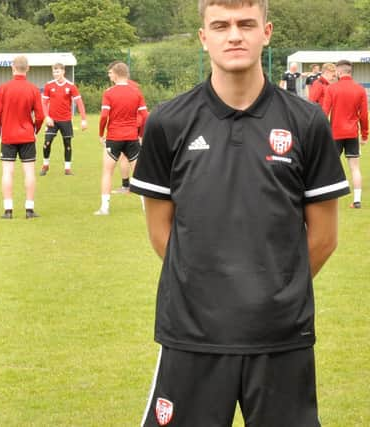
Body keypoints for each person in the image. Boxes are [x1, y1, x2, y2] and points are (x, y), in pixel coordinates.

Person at [131, 1, 349, 426]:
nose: (235, 35)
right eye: (222, 25)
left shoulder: (306, 122)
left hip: (281, 336)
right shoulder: (167, 122)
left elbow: (324, 237)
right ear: (204, 37)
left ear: (266, 32)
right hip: (192, 334)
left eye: (246, 24)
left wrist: (274, 290)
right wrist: (208, 290)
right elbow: (162, 231)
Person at [0, 55, 44, 219]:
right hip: (27, 136)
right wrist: (34, 130)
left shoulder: (4, 88)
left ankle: (8, 210)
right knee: (29, 172)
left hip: (8, 135)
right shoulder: (33, 89)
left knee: (7, 172)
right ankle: (29, 209)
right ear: (27, 68)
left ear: (12, 67)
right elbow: (40, 115)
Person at [95, 61, 148, 215]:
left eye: (110, 73)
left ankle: (105, 208)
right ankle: (146, 208)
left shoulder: (109, 93)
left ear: (116, 74)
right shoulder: (136, 92)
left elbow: (104, 115)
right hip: (132, 137)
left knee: (107, 172)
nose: (109, 75)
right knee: (139, 173)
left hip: (114, 137)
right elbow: (144, 116)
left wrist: (100, 133)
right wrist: (140, 135)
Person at [322, 59, 368, 209]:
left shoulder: (331, 89)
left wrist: (321, 133)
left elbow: (324, 112)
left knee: (328, 166)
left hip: (334, 133)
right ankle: (357, 200)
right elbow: (363, 115)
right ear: (350, 71)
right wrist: (365, 134)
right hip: (352, 133)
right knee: (355, 167)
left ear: (339, 72)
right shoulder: (360, 90)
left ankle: (327, 200)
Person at [40, 63, 87, 176]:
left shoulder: (71, 86)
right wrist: (46, 116)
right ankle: (45, 165)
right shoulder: (49, 85)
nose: (56, 74)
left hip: (66, 120)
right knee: (47, 142)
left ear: (63, 72)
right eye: (54, 72)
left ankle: (67, 168)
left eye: (58, 71)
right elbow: (44, 103)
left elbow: (79, 102)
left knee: (67, 143)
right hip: (52, 121)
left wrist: (83, 119)